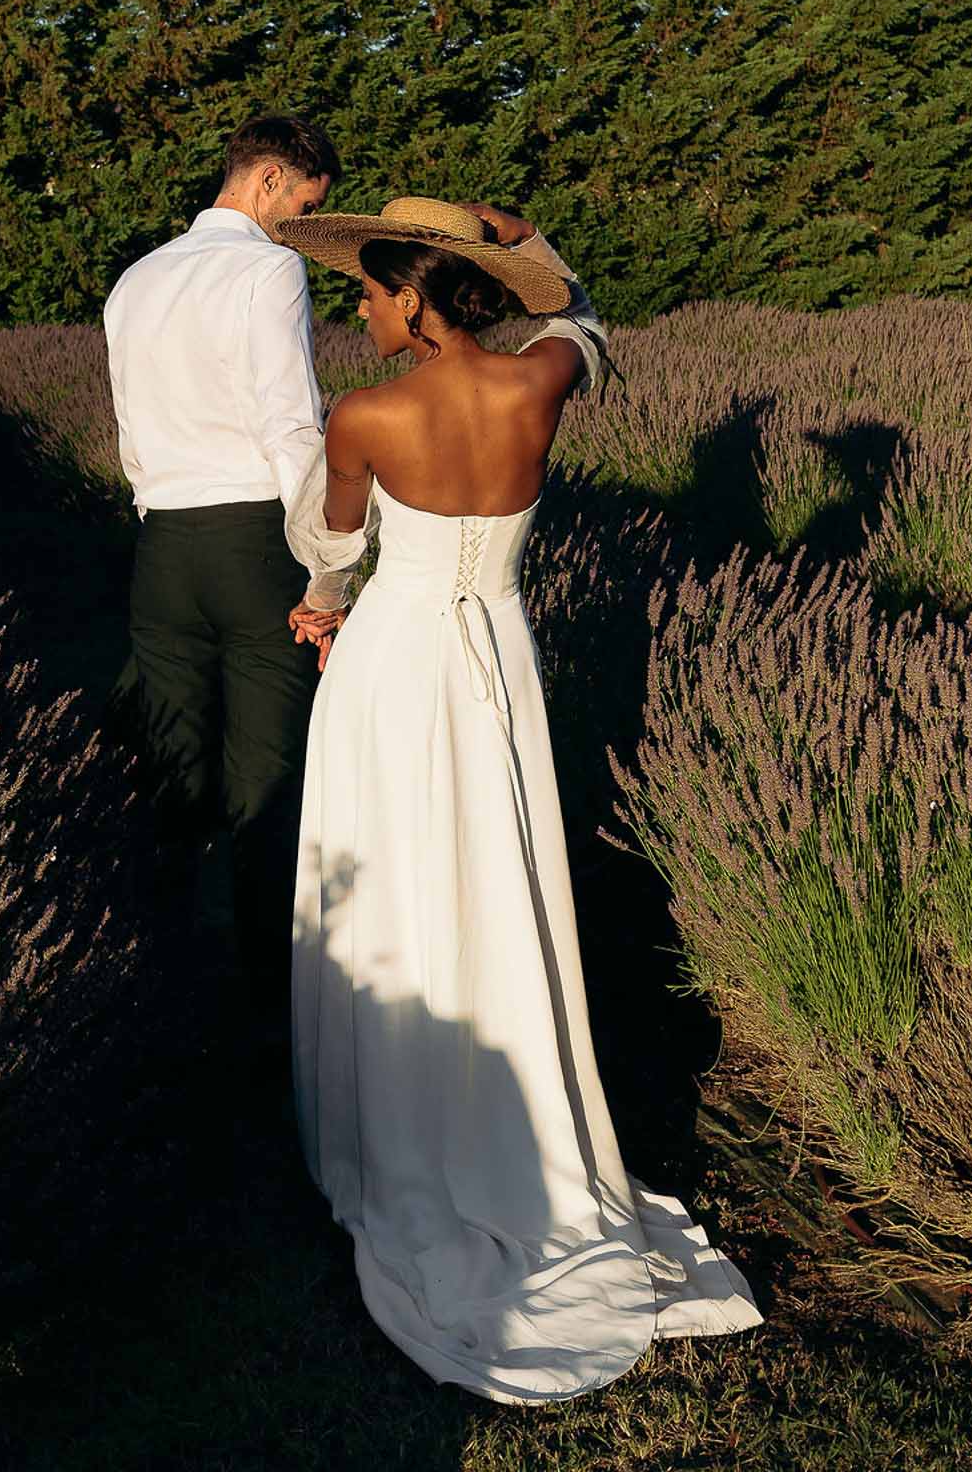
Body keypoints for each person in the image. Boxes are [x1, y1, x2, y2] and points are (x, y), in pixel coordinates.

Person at [274, 194, 761, 1402]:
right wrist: (522, 236)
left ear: (418, 296)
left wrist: (322, 606)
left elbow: (331, 548)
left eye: (374, 291)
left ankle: (406, 1106)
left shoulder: (368, 413)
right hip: (498, 653)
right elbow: (579, 314)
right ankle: (512, 1104)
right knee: (497, 864)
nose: (362, 308)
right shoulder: (539, 383)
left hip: (396, 667)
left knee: (393, 868)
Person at [102, 114, 340, 1014]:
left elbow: (129, 431)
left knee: (168, 763)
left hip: (162, 544)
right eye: (304, 206)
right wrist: (325, 563)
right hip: (252, 540)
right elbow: (290, 422)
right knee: (265, 772)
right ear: (269, 178)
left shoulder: (137, 278)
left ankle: (152, 970)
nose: (303, 228)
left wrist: (153, 509)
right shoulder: (267, 269)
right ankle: (264, 997)